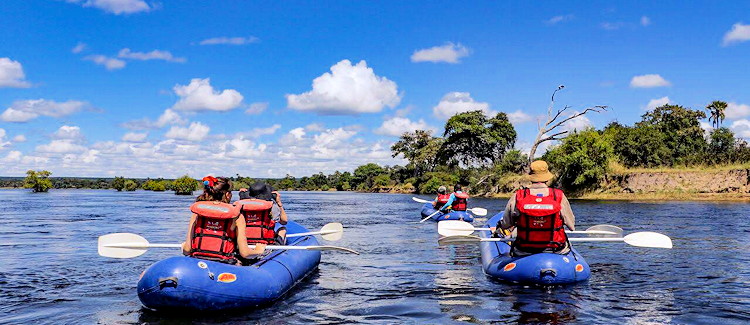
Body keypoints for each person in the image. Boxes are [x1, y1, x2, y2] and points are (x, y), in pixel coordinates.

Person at [492, 160, 576, 257]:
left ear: (531, 177)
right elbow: (571, 226)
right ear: (547, 178)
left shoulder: (518, 196)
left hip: (524, 250)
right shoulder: (558, 196)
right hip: (556, 249)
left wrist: (500, 227)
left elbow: (506, 224)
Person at [182, 176, 266, 264]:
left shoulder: (197, 213)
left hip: (198, 261)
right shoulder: (236, 216)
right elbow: (245, 253)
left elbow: (187, 250)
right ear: (227, 195)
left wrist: (183, 246)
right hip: (223, 264)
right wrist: (258, 250)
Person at [235, 181, 288, 264]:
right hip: (265, 249)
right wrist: (279, 203)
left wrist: (241, 198)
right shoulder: (271, 207)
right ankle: (281, 255)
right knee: (282, 230)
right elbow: (284, 221)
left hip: (242, 247)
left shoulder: (240, 207)